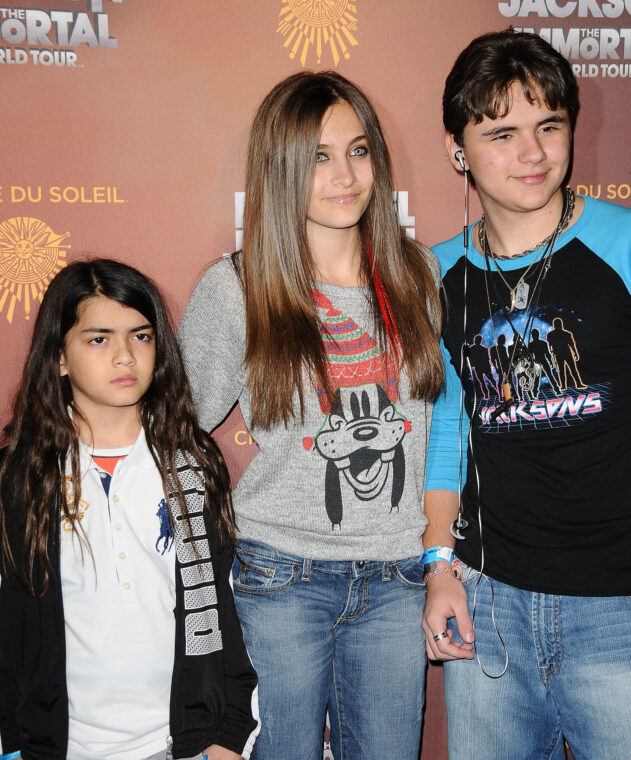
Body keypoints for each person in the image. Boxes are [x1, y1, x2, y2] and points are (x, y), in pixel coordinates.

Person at [178, 72, 444, 760]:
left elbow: (447, 430)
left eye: (357, 151)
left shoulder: (420, 278)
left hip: (395, 580)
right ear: (280, 167)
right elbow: (171, 430)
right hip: (279, 582)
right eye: (318, 157)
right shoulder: (239, 287)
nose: (345, 175)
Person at [422, 29, 631, 760]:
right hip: (488, 602)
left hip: (617, 607)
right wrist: (437, 565)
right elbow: (447, 426)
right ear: (459, 151)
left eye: (549, 127)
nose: (534, 154)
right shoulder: (434, 275)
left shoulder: (623, 245)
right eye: (501, 133)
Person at [0, 260, 259, 760]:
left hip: (177, 744)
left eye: (140, 337)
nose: (124, 356)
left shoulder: (192, 466)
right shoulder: (21, 476)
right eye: (98, 339)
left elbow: (225, 610)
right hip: (55, 747)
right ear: (59, 357)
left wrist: (225, 736)